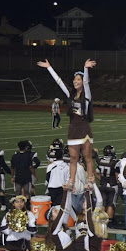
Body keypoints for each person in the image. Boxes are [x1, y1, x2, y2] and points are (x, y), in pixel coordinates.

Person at [37, 58, 97, 190]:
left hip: (84, 127)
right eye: (75, 79)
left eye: (78, 79)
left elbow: (86, 83)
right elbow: (59, 82)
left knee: (87, 157)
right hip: (73, 128)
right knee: (73, 157)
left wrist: (85, 69)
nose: (76, 81)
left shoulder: (87, 95)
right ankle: (71, 181)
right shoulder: (70, 94)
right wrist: (49, 67)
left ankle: (90, 180)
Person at [95, 145, 120, 228]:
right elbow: (117, 175)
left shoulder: (100, 161)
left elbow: (96, 172)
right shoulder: (115, 162)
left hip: (102, 185)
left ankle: (102, 220)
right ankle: (110, 221)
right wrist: (117, 181)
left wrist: (101, 179)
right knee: (110, 204)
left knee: (103, 203)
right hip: (112, 185)